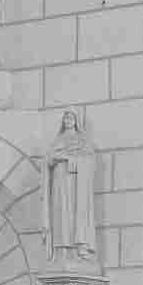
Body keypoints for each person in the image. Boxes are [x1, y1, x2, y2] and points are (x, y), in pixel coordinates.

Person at [43, 109, 96, 260]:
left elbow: (90, 162)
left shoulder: (83, 141)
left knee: (76, 214)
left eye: (71, 116)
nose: (68, 119)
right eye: (66, 117)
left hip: (77, 185)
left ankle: (79, 247)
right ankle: (62, 250)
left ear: (76, 120)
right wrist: (55, 158)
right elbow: (48, 160)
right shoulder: (57, 141)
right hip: (60, 183)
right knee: (61, 215)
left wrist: (71, 160)